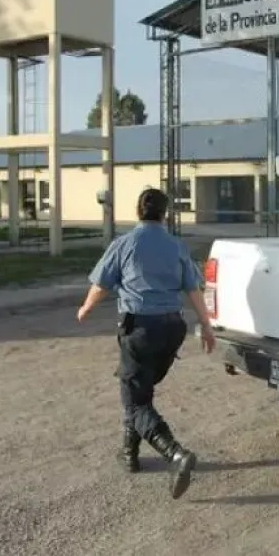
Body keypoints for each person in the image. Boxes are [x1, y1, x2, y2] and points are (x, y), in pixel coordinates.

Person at [76, 187, 216, 500]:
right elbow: (194, 290)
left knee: (136, 399)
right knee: (137, 390)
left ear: (138, 212)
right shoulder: (176, 246)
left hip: (140, 329)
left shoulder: (124, 244)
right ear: (164, 214)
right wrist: (206, 326)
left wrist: (86, 308)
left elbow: (100, 284)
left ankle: (175, 454)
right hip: (172, 329)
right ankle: (130, 455)